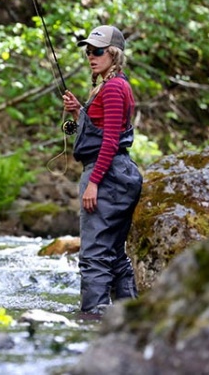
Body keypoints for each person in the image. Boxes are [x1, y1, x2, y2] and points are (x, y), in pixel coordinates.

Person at [62, 25, 143, 318]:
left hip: (107, 174)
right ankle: (130, 315)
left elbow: (110, 139)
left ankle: (93, 318)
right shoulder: (110, 87)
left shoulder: (113, 88)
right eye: (88, 52)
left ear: (113, 54)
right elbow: (99, 128)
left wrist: (94, 183)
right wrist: (76, 113)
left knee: (94, 255)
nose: (90, 57)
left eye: (97, 51)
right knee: (115, 254)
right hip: (118, 173)